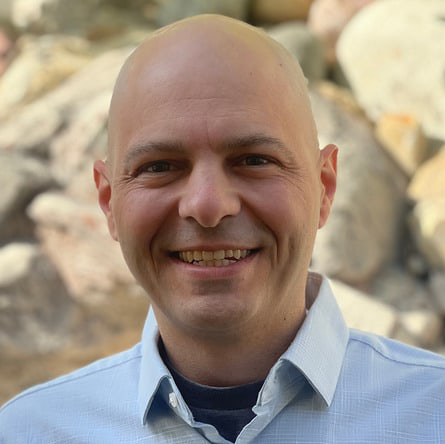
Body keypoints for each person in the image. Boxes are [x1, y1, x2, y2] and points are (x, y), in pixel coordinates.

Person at [1, 14, 445, 444]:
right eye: (160, 167)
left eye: (254, 160)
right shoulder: (31, 433)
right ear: (109, 201)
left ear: (325, 187)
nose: (208, 205)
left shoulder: (433, 415)